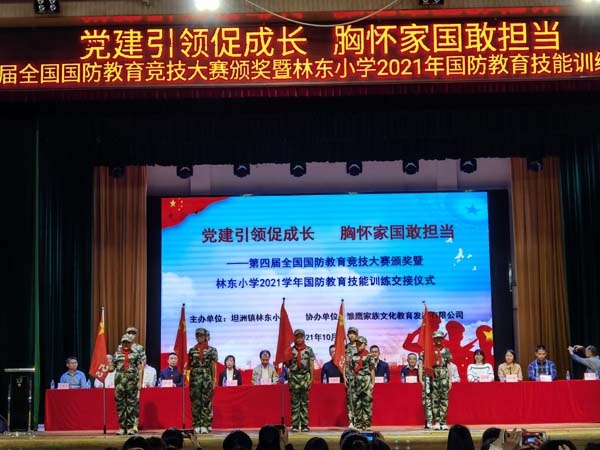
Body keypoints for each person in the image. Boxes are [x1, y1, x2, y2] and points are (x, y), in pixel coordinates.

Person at [419, 330, 452, 431]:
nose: (438, 340)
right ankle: (437, 421)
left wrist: (450, 380)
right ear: (433, 339)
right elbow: (422, 365)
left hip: (444, 376)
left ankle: (443, 422)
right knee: (435, 400)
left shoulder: (446, 351)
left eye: (440, 338)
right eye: (436, 338)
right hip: (433, 376)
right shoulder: (428, 351)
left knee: (444, 400)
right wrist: (421, 379)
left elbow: (448, 365)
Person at [187, 327, 218, 434]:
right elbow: (189, 364)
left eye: (201, 335)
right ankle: (196, 424)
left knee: (206, 401)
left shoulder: (212, 350)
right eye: (197, 335)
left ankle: (205, 424)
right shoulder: (192, 350)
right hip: (195, 378)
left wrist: (214, 379)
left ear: (205, 336)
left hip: (206, 376)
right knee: (195, 401)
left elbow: (213, 366)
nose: (199, 337)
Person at [114, 334, 144, 435]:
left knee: (131, 405)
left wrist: (140, 382)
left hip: (132, 383)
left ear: (131, 343)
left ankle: (130, 427)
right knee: (120, 405)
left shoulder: (135, 354)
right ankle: (122, 427)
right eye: (124, 342)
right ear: (121, 343)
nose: (126, 344)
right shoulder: (116, 354)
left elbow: (140, 368)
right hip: (119, 384)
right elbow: (111, 368)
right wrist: (105, 365)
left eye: (128, 342)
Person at [285, 329, 315, 432]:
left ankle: (305, 425)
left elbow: (311, 365)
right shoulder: (290, 350)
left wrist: (311, 379)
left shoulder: (309, 350)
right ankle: (295, 425)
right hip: (294, 378)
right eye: (297, 337)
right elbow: (288, 365)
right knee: (295, 403)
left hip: (305, 377)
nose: (299, 339)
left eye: (301, 337)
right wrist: (284, 358)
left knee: (304, 403)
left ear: (304, 337)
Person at [349, 336, 375, 431]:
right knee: (357, 404)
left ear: (365, 344)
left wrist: (373, 383)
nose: (358, 346)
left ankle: (367, 424)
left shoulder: (369, 356)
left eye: (360, 344)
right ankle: (358, 424)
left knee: (367, 404)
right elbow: (351, 368)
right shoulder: (354, 356)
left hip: (366, 381)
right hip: (356, 382)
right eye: (357, 344)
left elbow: (372, 370)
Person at [345, 326, 359, 427]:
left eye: (354, 333)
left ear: (357, 335)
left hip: (359, 378)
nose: (352, 335)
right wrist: (344, 376)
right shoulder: (344, 348)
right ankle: (351, 421)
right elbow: (342, 364)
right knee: (350, 400)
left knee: (358, 399)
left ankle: (359, 421)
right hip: (349, 377)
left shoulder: (360, 347)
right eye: (350, 333)